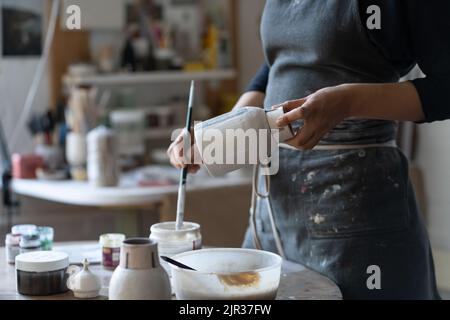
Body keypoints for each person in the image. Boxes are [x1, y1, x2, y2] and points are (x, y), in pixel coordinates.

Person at [167, 0, 449, 299]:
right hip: (274, 207)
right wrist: (216, 132)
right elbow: (279, 62)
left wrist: (349, 101)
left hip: (357, 213)